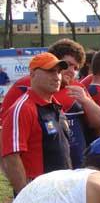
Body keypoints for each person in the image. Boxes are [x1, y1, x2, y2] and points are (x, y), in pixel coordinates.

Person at [0, 39, 100, 169]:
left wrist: (86, 101)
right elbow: (7, 134)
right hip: (38, 174)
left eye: (76, 68)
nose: (72, 71)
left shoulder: (78, 88)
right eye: (68, 65)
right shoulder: (23, 87)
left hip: (74, 167)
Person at [1, 53, 72, 195]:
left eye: (58, 71)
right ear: (32, 74)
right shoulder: (23, 108)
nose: (56, 76)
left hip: (63, 192)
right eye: (50, 71)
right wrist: (26, 197)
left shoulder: (56, 106)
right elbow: (11, 156)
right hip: (39, 195)